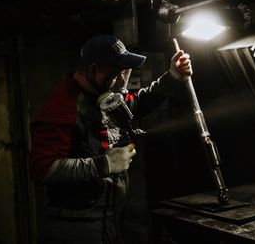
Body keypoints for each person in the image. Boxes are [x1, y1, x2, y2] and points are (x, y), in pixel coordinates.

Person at [29, 34, 192, 244]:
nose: (120, 78)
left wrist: (171, 76)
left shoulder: (101, 96)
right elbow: (42, 168)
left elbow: (135, 104)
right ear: (94, 70)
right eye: (116, 72)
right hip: (75, 228)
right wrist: (104, 164)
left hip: (109, 220)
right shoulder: (62, 110)